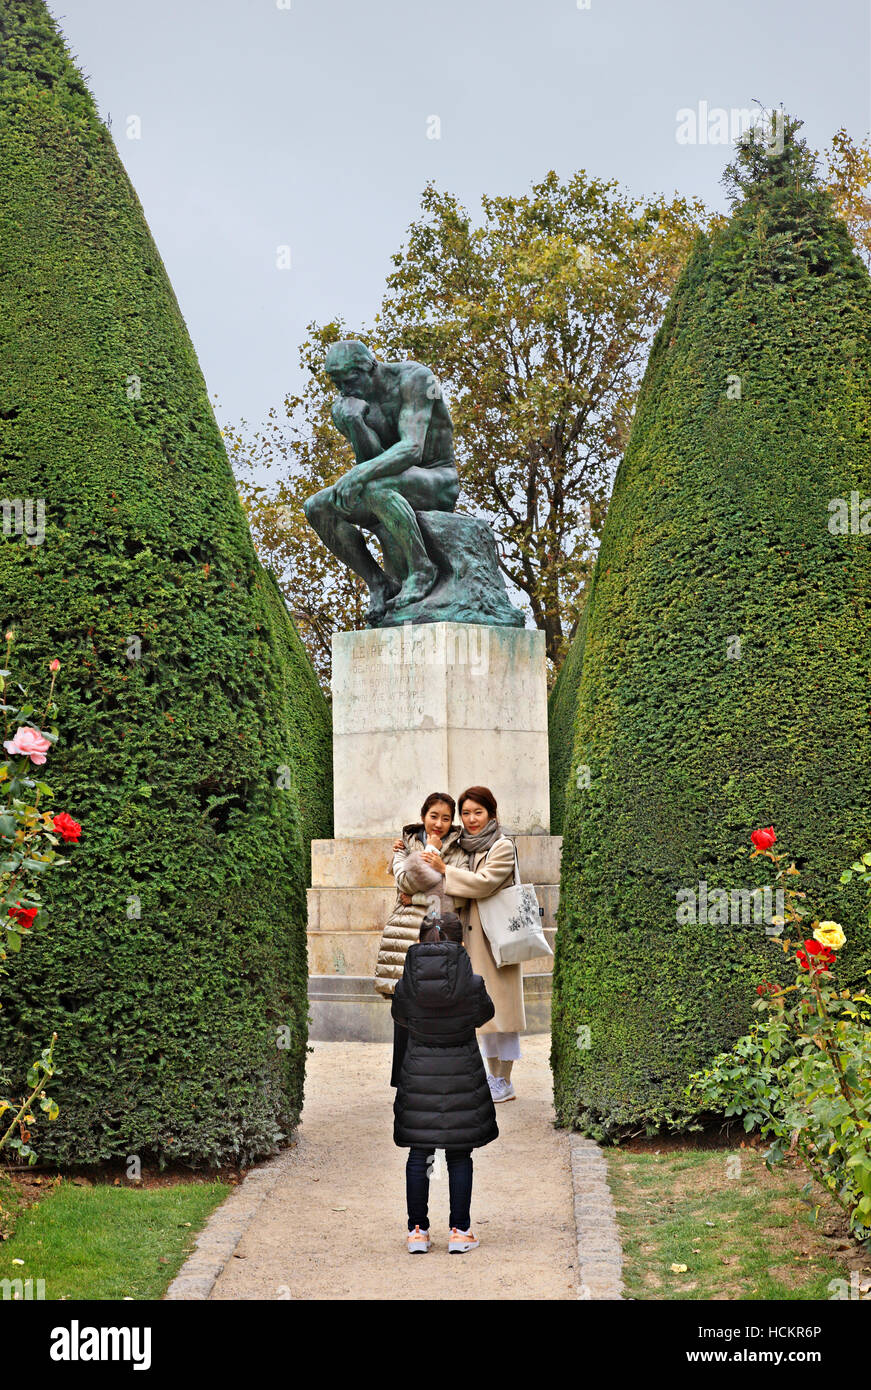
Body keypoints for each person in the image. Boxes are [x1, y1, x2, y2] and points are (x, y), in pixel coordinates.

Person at [302, 340, 459, 624]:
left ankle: (422, 570)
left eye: (349, 380)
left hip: (438, 479)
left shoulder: (417, 379)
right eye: (336, 383)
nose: (343, 390)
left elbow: (412, 449)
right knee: (317, 507)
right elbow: (371, 460)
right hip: (393, 484)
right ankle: (378, 583)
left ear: (370, 367)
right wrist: (355, 424)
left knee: (374, 485)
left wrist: (358, 475)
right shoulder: (348, 406)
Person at [391, 911, 497, 1253]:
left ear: (421, 940)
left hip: (419, 1071)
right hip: (461, 1073)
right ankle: (460, 1231)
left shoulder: (406, 984)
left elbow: (400, 1016)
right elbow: (485, 1014)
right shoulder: (472, 982)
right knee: (459, 1155)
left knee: (419, 1154)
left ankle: (417, 1232)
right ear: (460, 942)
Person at [420, 786, 524, 1103]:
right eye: (466, 813)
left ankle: (504, 1080)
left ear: (491, 813)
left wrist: (443, 869)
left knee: (503, 1014)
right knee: (485, 1014)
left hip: (497, 939)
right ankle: (493, 1078)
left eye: (478, 812)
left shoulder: (502, 846)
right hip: (474, 939)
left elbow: (483, 884)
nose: (471, 819)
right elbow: (463, 891)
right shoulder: (469, 848)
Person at [373, 792, 466, 998]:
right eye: (433, 816)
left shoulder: (459, 852)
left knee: (436, 1002)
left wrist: (417, 898)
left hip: (439, 931)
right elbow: (405, 883)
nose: (439, 824)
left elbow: (456, 896)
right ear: (423, 816)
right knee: (403, 1004)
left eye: (446, 818)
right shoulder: (404, 846)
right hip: (403, 932)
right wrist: (433, 852)